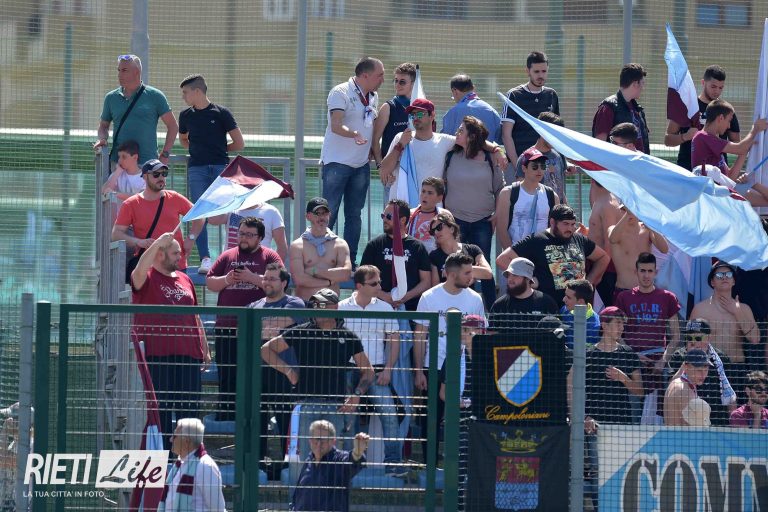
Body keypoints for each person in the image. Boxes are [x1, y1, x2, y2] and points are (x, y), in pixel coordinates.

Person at [261, 289, 374, 484]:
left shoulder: (347, 336)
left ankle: (330, 497)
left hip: (336, 406)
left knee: (334, 462)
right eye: (314, 304)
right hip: (306, 404)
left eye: (322, 304)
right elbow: (266, 349)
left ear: (335, 307)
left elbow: (369, 371)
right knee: (304, 463)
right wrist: (289, 371)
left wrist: (357, 394)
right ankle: (300, 499)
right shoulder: (301, 331)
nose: (316, 308)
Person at [131, 233, 210, 449]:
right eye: (175, 253)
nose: (179, 257)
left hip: (188, 356)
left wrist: (204, 347)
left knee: (190, 412)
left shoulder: (185, 279)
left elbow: (195, 314)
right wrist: (157, 242)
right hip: (158, 356)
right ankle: (163, 461)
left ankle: (189, 460)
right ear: (160, 254)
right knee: (161, 411)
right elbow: (138, 273)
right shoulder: (147, 277)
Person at [205, 217, 282, 421]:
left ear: (260, 237)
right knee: (228, 376)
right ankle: (227, 421)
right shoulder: (227, 255)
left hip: (259, 330)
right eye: (241, 233)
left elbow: (279, 284)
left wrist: (251, 278)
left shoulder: (270, 256)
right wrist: (227, 279)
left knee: (257, 377)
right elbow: (210, 282)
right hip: (227, 327)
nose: (244, 238)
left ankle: (255, 421)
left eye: (249, 234)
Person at [414, 253, 486, 461]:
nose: (471, 277)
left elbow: (480, 334)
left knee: (464, 418)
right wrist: (419, 371)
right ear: (452, 274)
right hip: (434, 365)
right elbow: (419, 336)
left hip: (464, 367)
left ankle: (462, 463)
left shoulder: (475, 298)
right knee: (432, 418)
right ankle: (429, 464)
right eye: (467, 273)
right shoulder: (429, 297)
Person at [337, 265, 403, 473]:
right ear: (359, 286)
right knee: (349, 417)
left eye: (379, 282)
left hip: (377, 369)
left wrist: (388, 369)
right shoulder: (340, 308)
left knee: (390, 415)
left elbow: (394, 340)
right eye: (374, 283)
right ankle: (350, 464)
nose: (379, 287)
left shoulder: (385, 308)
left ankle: (393, 463)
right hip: (348, 368)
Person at [320, 56, 385, 265]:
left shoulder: (373, 96)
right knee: (328, 213)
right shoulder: (340, 92)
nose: (383, 80)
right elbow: (336, 125)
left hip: (360, 165)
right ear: (365, 75)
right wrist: (354, 134)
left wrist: (373, 150)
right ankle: (322, 259)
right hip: (337, 164)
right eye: (379, 75)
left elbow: (370, 125)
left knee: (354, 215)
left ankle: (349, 261)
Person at [178, 73, 245, 274]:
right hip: (196, 169)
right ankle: (205, 258)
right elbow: (183, 139)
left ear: (197, 91)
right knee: (199, 212)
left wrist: (219, 150)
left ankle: (232, 256)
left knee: (227, 211)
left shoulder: (221, 113)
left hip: (220, 169)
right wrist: (197, 149)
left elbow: (239, 143)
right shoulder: (185, 115)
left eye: (185, 92)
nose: (183, 96)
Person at [380, 99, 506, 201]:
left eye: (420, 114)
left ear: (432, 115)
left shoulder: (443, 141)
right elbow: (384, 170)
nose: (415, 118)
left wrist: (496, 149)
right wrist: (400, 145)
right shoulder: (401, 138)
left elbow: (473, 139)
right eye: (413, 115)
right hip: (402, 206)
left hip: (430, 210)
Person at [443, 115, 505, 306]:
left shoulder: (489, 158)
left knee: (483, 267)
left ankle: (491, 312)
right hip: (455, 221)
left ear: (472, 136)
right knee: (456, 265)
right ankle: (457, 307)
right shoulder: (451, 155)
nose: (457, 133)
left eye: (461, 130)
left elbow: (500, 189)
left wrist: (497, 214)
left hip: (482, 221)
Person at [247, 263, 306, 462]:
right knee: (256, 423)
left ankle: (288, 466)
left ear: (284, 283)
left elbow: (273, 325)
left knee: (286, 422)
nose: (267, 282)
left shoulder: (295, 303)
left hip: (284, 373)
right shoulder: (253, 305)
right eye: (265, 278)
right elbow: (243, 330)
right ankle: (258, 465)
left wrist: (260, 327)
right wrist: (268, 328)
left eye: (272, 279)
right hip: (256, 373)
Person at [497, 204, 609, 304]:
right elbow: (502, 259)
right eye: (565, 224)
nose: (570, 229)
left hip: (577, 307)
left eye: (572, 224)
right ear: (552, 222)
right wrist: (529, 280)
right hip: (548, 306)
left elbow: (603, 257)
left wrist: (589, 281)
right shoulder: (537, 240)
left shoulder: (579, 239)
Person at [112, 159, 204, 272]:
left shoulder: (174, 197)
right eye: (156, 174)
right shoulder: (130, 204)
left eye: (164, 173)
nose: (161, 177)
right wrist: (138, 242)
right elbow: (116, 234)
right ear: (145, 177)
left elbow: (200, 215)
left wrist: (191, 238)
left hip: (176, 265)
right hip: (148, 268)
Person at [94, 54, 178, 168]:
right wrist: (102, 139)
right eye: (118, 70)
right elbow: (103, 125)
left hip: (147, 165)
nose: (119, 74)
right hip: (119, 165)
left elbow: (173, 126)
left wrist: (165, 154)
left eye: (124, 70)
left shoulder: (155, 96)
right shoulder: (111, 97)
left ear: (136, 72)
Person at [588, 123, 639, 304]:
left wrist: (597, 274)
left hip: (608, 267)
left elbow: (609, 241)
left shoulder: (612, 199)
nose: (610, 147)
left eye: (615, 144)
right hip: (603, 264)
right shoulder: (603, 192)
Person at [691, 99, 768, 206]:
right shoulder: (702, 137)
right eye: (729, 121)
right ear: (720, 118)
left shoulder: (711, 140)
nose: (729, 126)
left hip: (725, 193)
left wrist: (752, 182)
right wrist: (755, 129)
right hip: (717, 196)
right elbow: (740, 148)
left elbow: (730, 177)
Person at [360, 199, 432, 311]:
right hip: (378, 307)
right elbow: (362, 278)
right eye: (383, 216)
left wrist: (405, 297)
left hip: (410, 309)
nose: (384, 219)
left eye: (388, 216)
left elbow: (426, 282)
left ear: (402, 220)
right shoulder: (374, 245)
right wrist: (384, 296)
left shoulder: (417, 247)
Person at [664, 65, 740, 171]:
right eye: (713, 86)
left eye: (720, 88)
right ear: (703, 83)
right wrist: (685, 136)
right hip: (688, 171)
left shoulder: (726, 110)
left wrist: (716, 141)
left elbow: (736, 142)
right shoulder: (687, 107)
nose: (717, 91)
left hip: (716, 173)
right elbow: (668, 139)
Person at [501, 51, 560, 180]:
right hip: (519, 166)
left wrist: (563, 161)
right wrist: (519, 167)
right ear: (528, 71)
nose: (541, 75)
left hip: (545, 165)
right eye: (536, 72)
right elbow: (506, 135)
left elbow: (556, 132)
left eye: (544, 71)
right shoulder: (514, 95)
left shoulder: (551, 95)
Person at [690, 261, 759, 367]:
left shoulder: (744, 309)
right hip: (711, 368)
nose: (724, 277)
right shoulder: (700, 309)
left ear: (733, 281)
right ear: (712, 282)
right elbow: (691, 344)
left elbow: (755, 339)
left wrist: (737, 312)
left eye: (729, 274)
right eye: (719, 275)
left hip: (737, 368)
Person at [290, 420, 370, 512]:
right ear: (310, 440)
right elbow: (297, 496)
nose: (319, 444)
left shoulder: (339, 459)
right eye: (317, 439)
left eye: (324, 439)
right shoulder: (308, 461)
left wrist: (357, 452)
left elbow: (352, 460)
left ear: (333, 441)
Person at [669, 318, 736, 426]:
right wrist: (688, 360)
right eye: (689, 338)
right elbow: (671, 386)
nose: (693, 342)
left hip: (718, 422)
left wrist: (734, 424)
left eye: (698, 338)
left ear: (708, 338)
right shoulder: (678, 356)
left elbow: (730, 395)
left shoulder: (721, 359)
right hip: (690, 422)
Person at [289, 197, 352, 301]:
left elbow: (345, 274)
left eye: (324, 213)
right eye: (317, 213)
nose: (321, 217)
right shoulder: (297, 245)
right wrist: (329, 282)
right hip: (306, 304)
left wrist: (314, 271)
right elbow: (299, 279)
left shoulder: (340, 244)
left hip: (331, 306)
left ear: (329, 215)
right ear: (308, 216)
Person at [496, 147, 559, 250]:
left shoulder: (552, 195)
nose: (539, 170)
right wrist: (512, 256)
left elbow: (555, 229)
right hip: (516, 252)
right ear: (524, 168)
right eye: (534, 167)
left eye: (543, 166)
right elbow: (501, 230)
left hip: (543, 252)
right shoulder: (508, 193)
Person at [158, 418, 225, 512]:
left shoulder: (205, 466)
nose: (171, 439)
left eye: (175, 436)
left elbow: (218, 509)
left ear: (187, 442)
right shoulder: (179, 465)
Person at [372, 62, 416, 201]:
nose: (397, 85)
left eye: (402, 82)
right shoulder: (388, 107)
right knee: (393, 212)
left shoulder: (420, 108)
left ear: (413, 84)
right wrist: (381, 167)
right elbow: (375, 140)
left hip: (414, 169)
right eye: (395, 81)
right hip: (393, 170)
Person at [608, 204, 669, 297]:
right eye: (624, 210)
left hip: (646, 290)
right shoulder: (613, 229)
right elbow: (612, 239)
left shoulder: (647, 230)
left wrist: (652, 228)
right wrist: (628, 213)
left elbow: (664, 249)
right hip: (624, 290)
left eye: (631, 210)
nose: (629, 213)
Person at [512, 112, 572, 202]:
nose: (556, 138)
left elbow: (559, 187)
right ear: (541, 131)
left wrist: (565, 206)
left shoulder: (557, 156)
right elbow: (521, 192)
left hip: (557, 208)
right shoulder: (526, 157)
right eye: (552, 134)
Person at [592, 63, 650, 154]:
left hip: (638, 161)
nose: (643, 88)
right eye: (643, 83)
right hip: (617, 162)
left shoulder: (638, 110)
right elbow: (600, 143)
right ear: (635, 83)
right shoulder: (608, 107)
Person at [489, 257, 559, 332]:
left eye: (515, 275)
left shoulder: (547, 303)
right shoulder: (499, 305)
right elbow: (491, 335)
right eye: (509, 275)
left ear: (528, 278)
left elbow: (558, 334)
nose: (510, 279)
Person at [209, 201, 289, 263]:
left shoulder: (271, 212)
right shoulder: (231, 208)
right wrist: (226, 198)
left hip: (259, 268)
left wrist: (274, 271)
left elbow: (282, 246)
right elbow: (212, 220)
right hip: (231, 266)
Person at [427, 210, 493, 286]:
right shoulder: (434, 256)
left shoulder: (472, 250)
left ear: (452, 229)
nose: (435, 233)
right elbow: (436, 287)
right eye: (432, 231)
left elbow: (488, 273)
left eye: (439, 227)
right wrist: (472, 271)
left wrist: (451, 271)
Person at [441, 73, 502, 143]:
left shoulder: (453, 112)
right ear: (473, 88)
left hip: (460, 150)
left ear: (454, 91)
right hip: (485, 150)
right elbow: (500, 138)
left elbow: (445, 140)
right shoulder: (491, 110)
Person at [663, 349, 711, 426]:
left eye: (706, 370)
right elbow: (696, 429)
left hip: (671, 432)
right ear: (686, 367)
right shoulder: (685, 391)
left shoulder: (675, 383)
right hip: (681, 433)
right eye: (699, 370)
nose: (703, 375)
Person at [407, 177, 446, 253]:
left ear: (439, 198)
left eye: (430, 193)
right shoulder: (409, 214)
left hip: (436, 258)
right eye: (423, 191)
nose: (424, 196)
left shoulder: (445, 216)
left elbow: (452, 242)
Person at [560, 279, 601, 349]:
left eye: (568, 297)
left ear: (581, 301)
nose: (563, 299)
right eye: (565, 295)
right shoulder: (564, 310)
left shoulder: (595, 327)